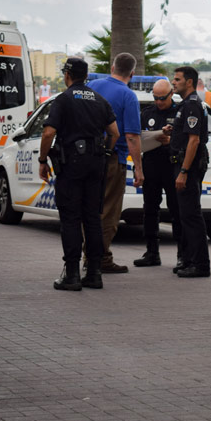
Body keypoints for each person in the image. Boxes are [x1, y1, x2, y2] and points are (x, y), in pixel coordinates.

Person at [39, 57, 119, 291]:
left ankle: (72, 274)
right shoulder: (99, 100)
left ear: (67, 75)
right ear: (86, 76)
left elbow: (48, 133)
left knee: (71, 219)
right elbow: (114, 133)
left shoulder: (63, 99)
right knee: (92, 218)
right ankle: (94, 273)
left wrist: (43, 160)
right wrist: (104, 153)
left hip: (71, 165)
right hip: (96, 165)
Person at [87, 53, 144, 273]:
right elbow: (132, 136)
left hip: (86, 157)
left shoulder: (92, 86)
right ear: (132, 74)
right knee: (109, 211)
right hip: (112, 158)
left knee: (90, 209)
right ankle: (100, 259)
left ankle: (89, 255)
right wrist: (138, 168)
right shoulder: (128, 95)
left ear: (112, 67)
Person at [167, 65, 211, 277]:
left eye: (177, 79)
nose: (173, 83)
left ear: (189, 82)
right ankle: (188, 259)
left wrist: (183, 171)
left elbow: (194, 141)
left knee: (191, 216)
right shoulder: (186, 105)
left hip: (189, 167)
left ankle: (200, 264)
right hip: (183, 164)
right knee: (185, 215)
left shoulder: (192, 105)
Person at [133, 78, 182, 268]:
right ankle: (152, 252)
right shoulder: (147, 113)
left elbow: (190, 138)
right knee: (150, 209)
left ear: (171, 94)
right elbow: (137, 138)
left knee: (176, 209)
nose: (159, 102)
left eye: (162, 98)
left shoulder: (179, 112)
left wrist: (172, 141)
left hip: (171, 165)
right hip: (151, 165)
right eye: (156, 98)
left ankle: (182, 254)